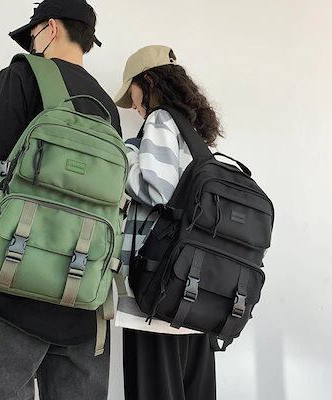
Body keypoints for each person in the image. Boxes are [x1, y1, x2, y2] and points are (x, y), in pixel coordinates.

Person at [0, 1, 122, 399]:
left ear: (51, 28)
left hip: (8, 293)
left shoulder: (22, 75)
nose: (32, 45)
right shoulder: (106, 108)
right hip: (82, 301)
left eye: (34, 35)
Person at [114, 45, 222, 400]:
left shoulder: (161, 119)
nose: (134, 105)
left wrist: (126, 154)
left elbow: (157, 189)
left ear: (147, 81)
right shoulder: (196, 136)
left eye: (132, 91)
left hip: (156, 293)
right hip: (194, 296)